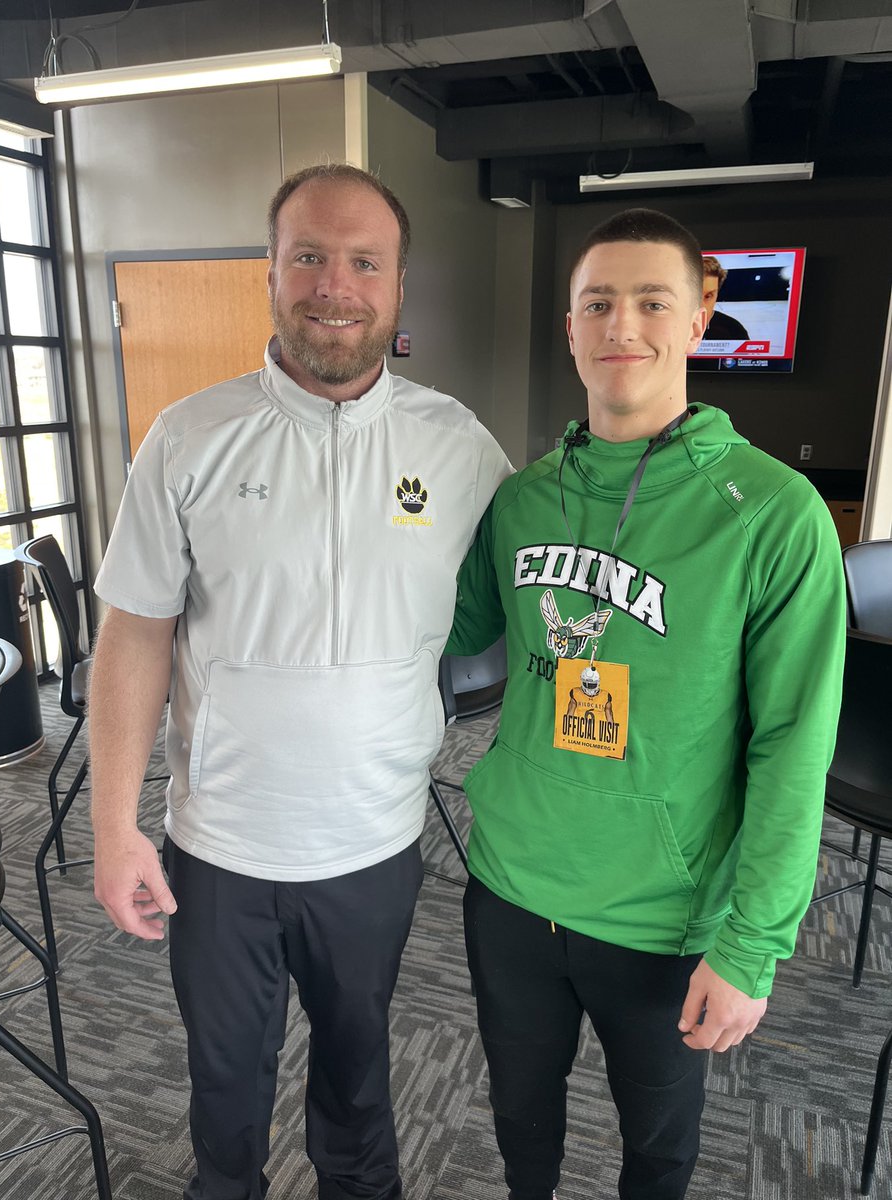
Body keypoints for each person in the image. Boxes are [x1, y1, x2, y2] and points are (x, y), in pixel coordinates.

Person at [89, 162, 511, 1200]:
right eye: (309, 257)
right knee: (225, 1102)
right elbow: (133, 635)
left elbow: (548, 606)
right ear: (268, 275)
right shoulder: (187, 437)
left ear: (399, 284)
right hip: (220, 852)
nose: (336, 285)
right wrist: (110, 826)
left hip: (373, 848)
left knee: (359, 1094)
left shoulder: (459, 449)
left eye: (364, 261)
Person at [447, 208, 845, 1200]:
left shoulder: (774, 513)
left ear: (703, 313)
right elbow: (441, 634)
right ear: (571, 328)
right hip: (509, 887)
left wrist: (753, 947)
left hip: (662, 920)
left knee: (657, 1155)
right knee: (519, 1123)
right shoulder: (522, 500)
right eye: (598, 303)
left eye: (651, 300)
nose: (623, 324)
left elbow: (794, 748)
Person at [700, 254, 749, 342]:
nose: (701, 307)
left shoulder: (734, 331)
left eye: (708, 296)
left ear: (717, 295)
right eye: (695, 296)